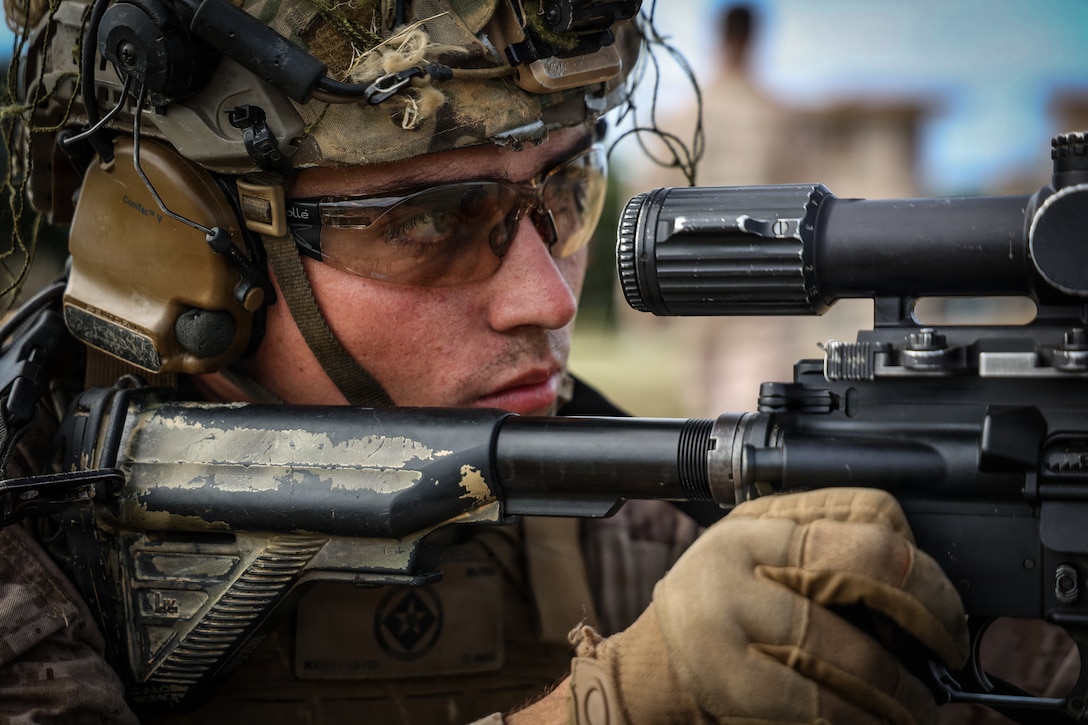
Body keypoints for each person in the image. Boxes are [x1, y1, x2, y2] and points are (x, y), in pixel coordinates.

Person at [0, 0, 968, 723]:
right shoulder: (29, 539)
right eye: (428, 221)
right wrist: (621, 701)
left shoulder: (635, 521)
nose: (545, 295)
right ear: (184, 254)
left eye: (565, 190)